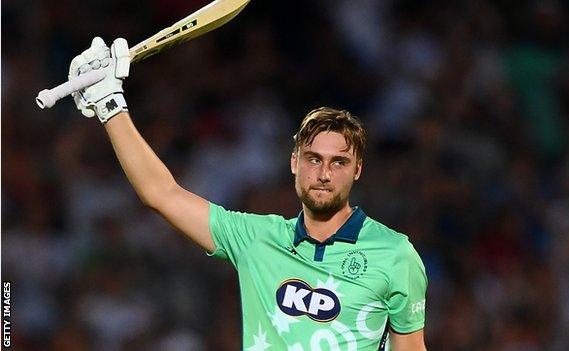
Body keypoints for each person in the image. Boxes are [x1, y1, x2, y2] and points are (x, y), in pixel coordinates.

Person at [68, 37, 428, 350]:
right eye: (313, 159)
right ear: (294, 163)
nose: (322, 174)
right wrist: (111, 107)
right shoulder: (256, 239)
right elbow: (161, 193)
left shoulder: (396, 255)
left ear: (357, 170)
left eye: (338, 162)